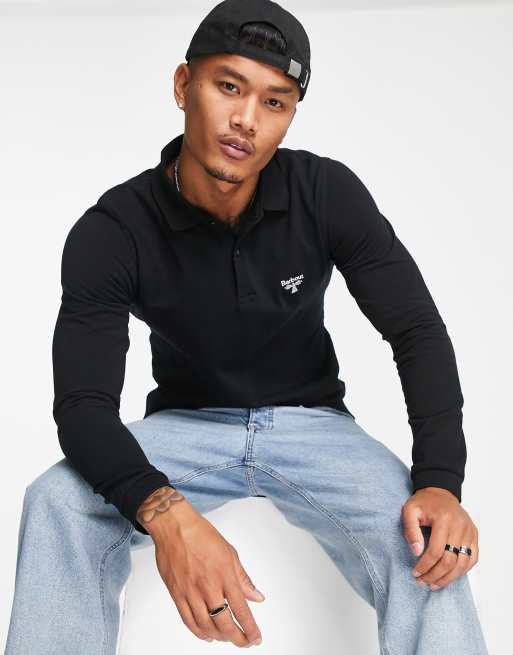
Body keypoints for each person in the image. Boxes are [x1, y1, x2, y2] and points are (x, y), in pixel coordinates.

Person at [5, 1, 489, 653]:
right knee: (57, 500)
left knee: (430, 538)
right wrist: (167, 513)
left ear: (290, 115)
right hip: (185, 427)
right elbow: (83, 406)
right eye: (229, 87)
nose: (246, 120)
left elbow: (415, 329)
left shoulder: (324, 192)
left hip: (313, 423)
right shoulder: (114, 229)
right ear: (184, 85)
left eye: (274, 102)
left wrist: (440, 479)